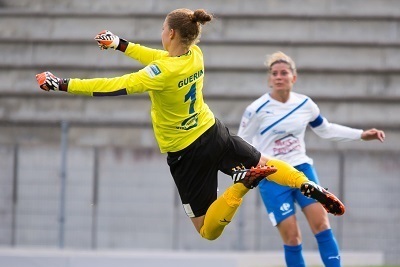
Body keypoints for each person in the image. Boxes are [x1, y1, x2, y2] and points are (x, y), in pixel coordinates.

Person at [35, 9, 345, 241]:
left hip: (186, 154)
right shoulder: (195, 54)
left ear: (170, 33)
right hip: (214, 132)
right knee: (269, 163)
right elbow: (160, 57)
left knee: (208, 230)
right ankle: (311, 186)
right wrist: (120, 45)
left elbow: (111, 85)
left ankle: (242, 184)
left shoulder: (159, 73)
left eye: (162, 28)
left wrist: (62, 83)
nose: (161, 33)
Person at [237, 51, 385, 266]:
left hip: (302, 170)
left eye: (284, 73)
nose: (279, 76)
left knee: (322, 226)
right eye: (274, 73)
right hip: (271, 177)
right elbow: (241, 142)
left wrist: (361, 135)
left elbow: (325, 129)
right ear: (269, 79)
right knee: (292, 238)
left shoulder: (305, 104)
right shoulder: (255, 110)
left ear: (293, 77)